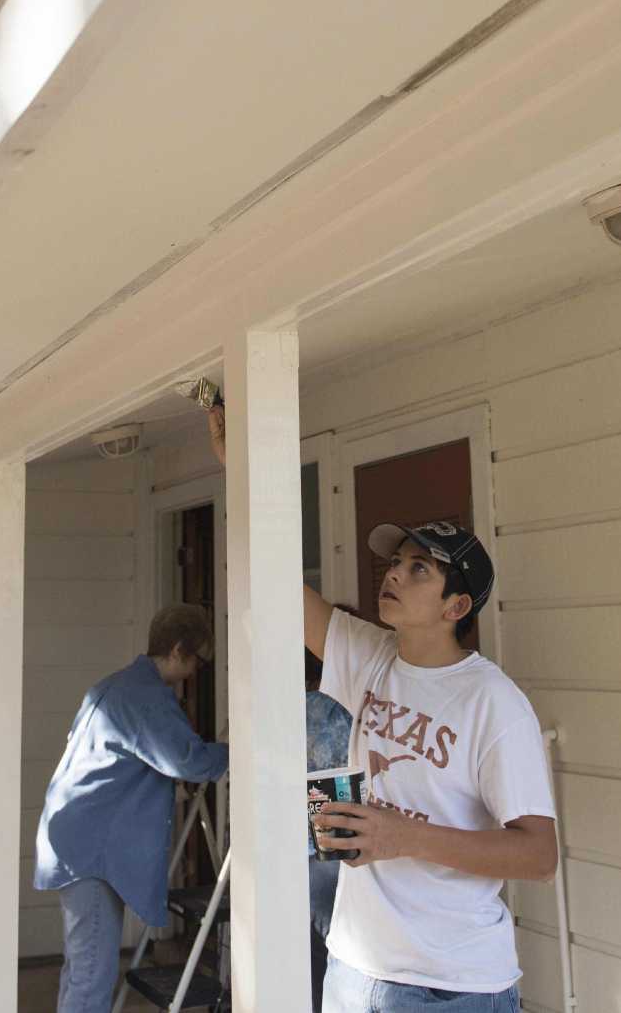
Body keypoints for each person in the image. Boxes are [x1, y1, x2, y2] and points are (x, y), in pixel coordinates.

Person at [207, 405, 557, 1013]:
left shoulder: (493, 702)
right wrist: (242, 471)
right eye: (395, 562)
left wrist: (404, 836)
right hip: (353, 967)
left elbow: (538, 855)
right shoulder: (371, 659)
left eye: (419, 569)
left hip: (449, 986)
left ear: (455, 607)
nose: (394, 573)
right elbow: (277, 580)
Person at [34, 604, 230, 1013]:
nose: (195, 672)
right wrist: (235, 751)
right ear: (178, 650)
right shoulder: (145, 697)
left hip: (74, 840)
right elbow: (186, 760)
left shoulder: (115, 685)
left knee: (81, 968)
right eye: (197, 661)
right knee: (91, 975)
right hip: (91, 850)